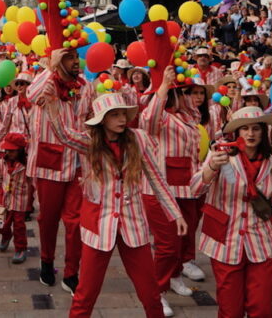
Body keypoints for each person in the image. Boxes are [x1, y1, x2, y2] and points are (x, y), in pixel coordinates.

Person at [42, 90, 185, 318]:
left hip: (133, 225)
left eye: (123, 115)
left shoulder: (138, 139)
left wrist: (174, 213)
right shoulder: (90, 143)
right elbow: (64, 136)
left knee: (150, 294)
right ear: (102, 120)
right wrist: (52, 109)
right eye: (114, 115)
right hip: (99, 226)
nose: (121, 120)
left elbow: (155, 177)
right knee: (85, 294)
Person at [192, 106, 272, 317]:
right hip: (226, 242)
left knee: (261, 310)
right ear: (237, 133)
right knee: (230, 310)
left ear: (263, 132)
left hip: (261, 244)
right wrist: (211, 167)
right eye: (245, 129)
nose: (250, 134)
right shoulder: (221, 156)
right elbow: (195, 188)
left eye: (256, 129)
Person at [138, 74, 205, 315]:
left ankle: (174, 276)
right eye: (185, 92)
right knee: (167, 244)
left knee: (183, 239)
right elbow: (147, 119)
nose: (190, 97)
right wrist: (164, 85)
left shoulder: (188, 115)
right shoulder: (159, 115)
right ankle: (157, 292)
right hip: (160, 188)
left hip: (187, 186)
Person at [25, 47, 89, 293]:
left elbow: (91, 116)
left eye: (76, 56)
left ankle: (72, 273)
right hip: (49, 163)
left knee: (76, 222)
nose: (75, 61)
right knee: (48, 219)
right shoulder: (46, 82)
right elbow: (31, 94)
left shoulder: (85, 87)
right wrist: (50, 68)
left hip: (78, 164)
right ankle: (47, 261)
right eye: (69, 57)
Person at [0, 132, 30, 264]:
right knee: (0, 223)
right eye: (7, 150)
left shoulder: (25, 164)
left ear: (20, 150)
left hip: (19, 199)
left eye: (12, 151)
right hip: (3, 198)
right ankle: (6, 235)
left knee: (19, 226)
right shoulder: (1, 162)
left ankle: (20, 248)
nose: (8, 153)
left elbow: (33, 181)